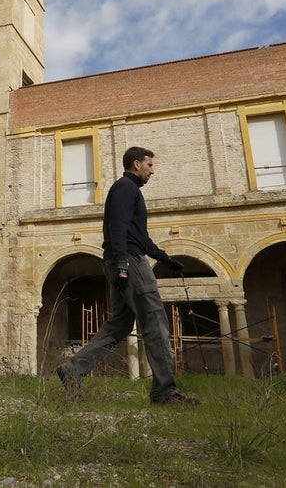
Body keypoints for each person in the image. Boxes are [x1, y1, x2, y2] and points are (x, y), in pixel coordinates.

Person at [55, 146, 199, 405]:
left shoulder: (129, 190)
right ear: (136, 164)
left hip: (124, 260)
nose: (152, 171)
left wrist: (165, 258)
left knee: (119, 325)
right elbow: (117, 227)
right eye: (149, 165)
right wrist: (122, 263)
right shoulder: (125, 188)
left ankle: (72, 369)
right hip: (130, 262)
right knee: (155, 321)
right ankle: (164, 392)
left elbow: (141, 238)